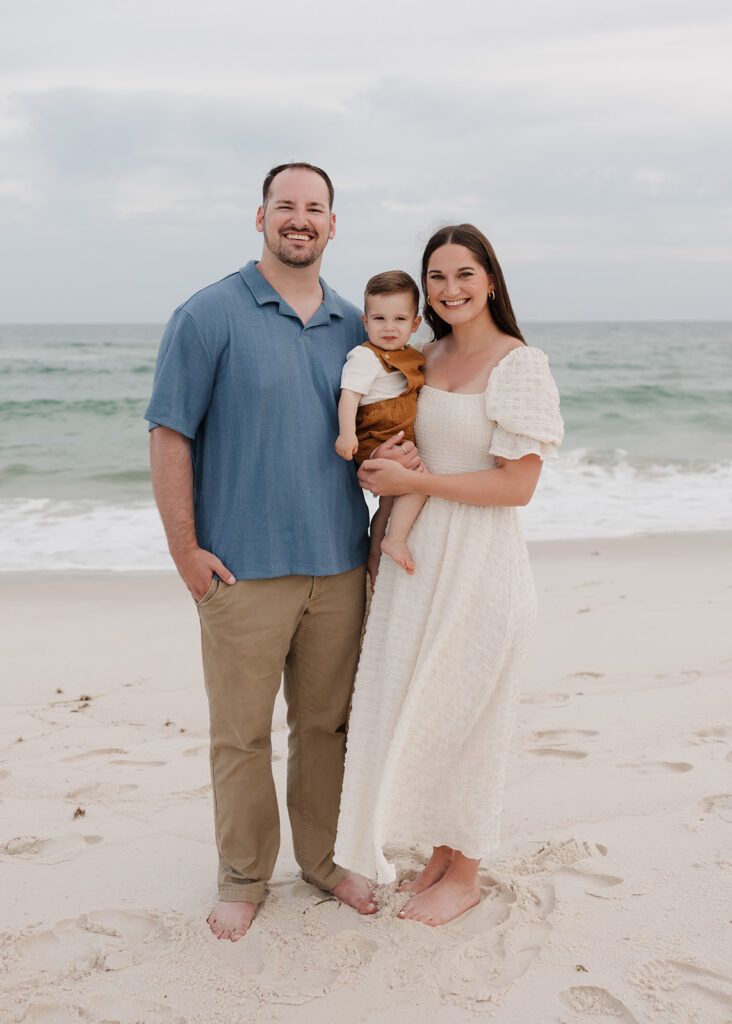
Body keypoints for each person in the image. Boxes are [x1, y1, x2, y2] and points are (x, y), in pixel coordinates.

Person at [145, 162, 420, 942]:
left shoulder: (354, 327)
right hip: (239, 570)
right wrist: (185, 552)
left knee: (328, 727)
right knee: (241, 735)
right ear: (260, 217)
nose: (300, 219)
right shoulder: (206, 315)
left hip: (337, 566)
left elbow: (374, 436)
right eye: (286, 206)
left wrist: (393, 465)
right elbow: (169, 435)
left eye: (315, 208)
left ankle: (326, 862)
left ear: (334, 225)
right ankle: (242, 876)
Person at [334, 223, 564, 927]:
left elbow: (517, 487)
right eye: (436, 276)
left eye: (464, 274)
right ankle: (438, 856)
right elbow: (403, 451)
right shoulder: (421, 358)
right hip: (416, 557)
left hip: (482, 564)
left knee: (470, 715)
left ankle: (465, 873)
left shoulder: (518, 363)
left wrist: (421, 475)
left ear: (490, 279)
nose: (449, 289)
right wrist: (384, 476)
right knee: (421, 707)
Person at [335, 270, 427, 578]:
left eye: (400, 320)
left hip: (398, 436)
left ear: (415, 324)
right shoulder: (365, 357)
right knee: (419, 482)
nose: (389, 328)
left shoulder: (411, 355)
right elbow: (349, 396)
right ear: (365, 321)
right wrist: (347, 435)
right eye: (379, 319)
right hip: (376, 438)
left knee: (388, 506)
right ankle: (394, 541)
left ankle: (375, 555)